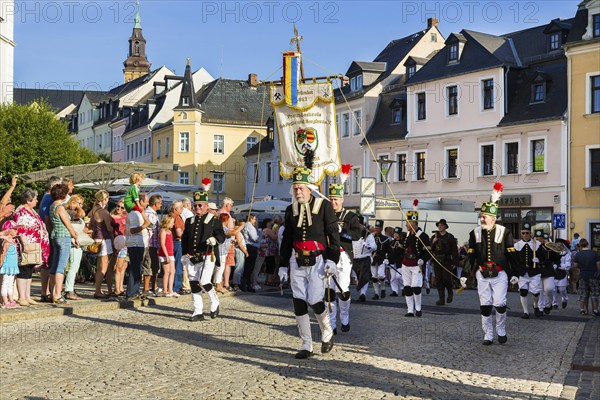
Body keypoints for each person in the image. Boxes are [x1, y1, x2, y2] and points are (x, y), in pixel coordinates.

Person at [278, 163, 340, 359]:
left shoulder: (324, 206)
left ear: (309, 188)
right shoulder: (290, 209)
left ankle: (327, 330)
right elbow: (287, 238)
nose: (297, 191)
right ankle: (306, 344)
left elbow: (333, 236)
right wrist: (281, 264)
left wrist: (332, 260)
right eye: (295, 188)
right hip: (296, 260)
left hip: (318, 260)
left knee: (314, 299)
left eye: (301, 188)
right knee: (298, 302)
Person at [461, 183, 518, 345]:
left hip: (500, 273)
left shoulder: (505, 231)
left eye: (484, 217)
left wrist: (515, 273)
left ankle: (501, 329)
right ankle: (488, 334)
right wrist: (465, 274)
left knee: (499, 303)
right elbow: (470, 255)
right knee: (485, 305)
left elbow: (511, 254)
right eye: (480, 216)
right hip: (482, 273)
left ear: (493, 218)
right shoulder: (475, 232)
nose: (481, 219)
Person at [182, 186, 226, 321]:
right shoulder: (190, 220)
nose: (197, 208)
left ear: (206, 206)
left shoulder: (214, 220)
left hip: (208, 255)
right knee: (194, 282)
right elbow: (185, 238)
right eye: (195, 206)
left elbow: (221, 236)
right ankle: (198, 311)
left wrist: (215, 239)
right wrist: (184, 254)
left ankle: (214, 301)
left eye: (200, 205)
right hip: (192, 256)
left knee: (204, 280)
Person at [326, 179, 361, 333]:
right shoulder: (325, 215)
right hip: (328, 255)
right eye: (331, 199)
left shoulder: (351, 216)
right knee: (329, 291)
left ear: (342, 199)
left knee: (343, 290)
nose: (333, 202)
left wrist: (342, 232)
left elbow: (357, 235)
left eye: (336, 200)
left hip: (343, 256)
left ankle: (345, 317)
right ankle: (331, 324)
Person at [13, 189, 50, 306]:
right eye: (35, 199)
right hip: (27, 245)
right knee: (23, 271)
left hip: (35, 245)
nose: (37, 200)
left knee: (29, 271)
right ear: (29, 200)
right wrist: (25, 244)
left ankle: (27, 296)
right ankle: (21, 296)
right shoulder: (21, 212)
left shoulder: (31, 210)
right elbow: (21, 229)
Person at [48, 183, 80, 304]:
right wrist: (75, 237)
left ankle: (52, 293)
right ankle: (58, 294)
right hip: (64, 237)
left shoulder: (52, 206)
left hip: (55, 236)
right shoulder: (60, 207)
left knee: (55, 265)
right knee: (61, 267)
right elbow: (68, 224)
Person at [401, 200, 430, 317]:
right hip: (405, 263)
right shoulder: (405, 235)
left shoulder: (423, 236)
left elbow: (427, 252)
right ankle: (410, 310)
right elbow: (402, 249)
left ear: (413, 223)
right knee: (407, 288)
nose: (406, 225)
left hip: (416, 264)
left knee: (416, 287)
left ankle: (418, 308)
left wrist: (423, 259)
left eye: (408, 223)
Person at [38, 175, 62, 302]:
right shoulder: (49, 198)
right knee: (49, 264)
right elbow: (47, 218)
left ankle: (45, 291)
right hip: (49, 234)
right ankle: (46, 291)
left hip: (45, 233)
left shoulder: (45, 197)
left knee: (47, 264)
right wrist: (50, 233)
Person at [513, 223, 544, 318]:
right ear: (521, 234)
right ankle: (525, 312)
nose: (525, 235)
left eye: (527, 233)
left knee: (535, 293)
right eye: (523, 233)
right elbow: (514, 260)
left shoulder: (537, 244)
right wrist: (514, 273)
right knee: (523, 291)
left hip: (534, 272)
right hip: (522, 272)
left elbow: (543, 257)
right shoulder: (517, 245)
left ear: (530, 233)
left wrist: (539, 260)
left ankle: (535, 305)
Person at [89, 190, 114, 298]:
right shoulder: (104, 212)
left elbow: (90, 226)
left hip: (97, 239)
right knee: (103, 267)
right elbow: (109, 228)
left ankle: (98, 289)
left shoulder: (94, 210)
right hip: (104, 240)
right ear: (105, 199)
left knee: (99, 266)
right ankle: (98, 291)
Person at [125, 193, 150, 300]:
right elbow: (133, 230)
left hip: (139, 243)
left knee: (137, 268)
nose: (148, 203)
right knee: (135, 268)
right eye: (146, 201)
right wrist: (144, 226)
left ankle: (135, 290)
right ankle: (131, 292)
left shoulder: (139, 213)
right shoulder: (135, 214)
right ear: (140, 202)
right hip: (135, 243)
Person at [64, 194, 87, 300]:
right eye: (80, 203)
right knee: (73, 266)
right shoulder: (71, 212)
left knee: (74, 266)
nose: (81, 206)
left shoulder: (71, 213)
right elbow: (82, 214)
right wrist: (77, 206)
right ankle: (69, 290)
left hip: (78, 241)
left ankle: (70, 287)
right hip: (74, 242)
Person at [430, 218, 458, 305]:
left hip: (446, 260)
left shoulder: (450, 237)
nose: (439, 227)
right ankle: (441, 298)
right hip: (437, 260)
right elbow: (430, 249)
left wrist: (455, 262)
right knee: (439, 280)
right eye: (438, 225)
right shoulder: (434, 236)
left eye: (441, 225)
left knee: (446, 279)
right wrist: (433, 242)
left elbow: (454, 250)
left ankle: (450, 292)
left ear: (445, 227)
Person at [573, 238, 600, 316]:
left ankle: (583, 310)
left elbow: (575, 266)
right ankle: (595, 311)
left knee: (584, 294)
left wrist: (582, 268)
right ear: (588, 244)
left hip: (583, 276)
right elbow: (598, 266)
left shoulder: (578, 254)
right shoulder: (594, 253)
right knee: (594, 294)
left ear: (581, 246)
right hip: (594, 276)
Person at [143, 194, 162, 295]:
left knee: (155, 266)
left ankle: (154, 287)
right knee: (148, 266)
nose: (161, 205)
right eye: (160, 203)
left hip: (154, 244)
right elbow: (150, 227)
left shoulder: (154, 213)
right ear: (156, 203)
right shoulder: (148, 213)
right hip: (149, 243)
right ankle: (146, 288)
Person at [354, 217, 376, 303]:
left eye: (359, 224)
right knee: (357, 278)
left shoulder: (368, 235)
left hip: (364, 258)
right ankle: (361, 294)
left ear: (362, 225)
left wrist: (367, 246)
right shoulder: (352, 233)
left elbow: (374, 247)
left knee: (364, 277)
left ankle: (363, 294)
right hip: (355, 259)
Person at [110, 199, 129, 297]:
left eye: (122, 207)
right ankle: (117, 288)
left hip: (125, 244)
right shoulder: (112, 217)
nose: (119, 209)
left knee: (123, 267)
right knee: (118, 267)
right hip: (117, 243)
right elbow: (110, 231)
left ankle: (120, 287)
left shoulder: (126, 217)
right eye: (118, 206)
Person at [1, 220, 20, 308]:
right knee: (5, 283)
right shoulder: (7, 242)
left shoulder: (13, 241)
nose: (17, 231)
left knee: (11, 283)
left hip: (12, 266)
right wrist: (1, 262)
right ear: (8, 230)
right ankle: (5, 301)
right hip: (7, 265)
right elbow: (3, 253)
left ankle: (11, 299)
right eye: (15, 229)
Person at [371, 220, 392, 300]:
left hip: (381, 259)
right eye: (375, 228)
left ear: (381, 229)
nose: (376, 230)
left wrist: (387, 258)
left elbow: (389, 251)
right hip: (373, 259)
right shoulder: (371, 237)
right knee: (374, 276)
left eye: (378, 228)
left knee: (381, 275)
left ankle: (383, 289)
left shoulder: (385, 239)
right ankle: (376, 293)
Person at [169, 201, 185, 295]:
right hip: (178, 242)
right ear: (176, 209)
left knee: (171, 267)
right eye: (181, 207)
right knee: (178, 266)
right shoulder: (177, 218)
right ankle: (176, 287)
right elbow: (179, 233)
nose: (182, 209)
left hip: (171, 242)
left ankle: (171, 287)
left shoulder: (169, 216)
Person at [158, 214, 176, 297]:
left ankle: (170, 289)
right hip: (165, 254)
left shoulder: (170, 231)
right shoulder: (163, 231)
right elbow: (162, 244)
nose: (173, 224)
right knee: (167, 271)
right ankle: (165, 290)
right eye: (172, 222)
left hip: (170, 253)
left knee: (172, 271)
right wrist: (167, 256)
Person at [551, 238, 572, 310]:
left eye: (560, 245)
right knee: (553, 289)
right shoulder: (553, 253)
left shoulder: (567, 254)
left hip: (562, 273)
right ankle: (554, 303)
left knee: (562, 289)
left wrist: (559, 266)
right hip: (553, 273)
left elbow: (568, 265)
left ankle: (565, 299)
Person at [389, 227, 405, 297]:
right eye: (394, 233)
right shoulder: (391, 242)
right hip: (392, 261)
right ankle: (394, 290)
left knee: (399, 276)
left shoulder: (402, 242)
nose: (395, 235)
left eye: (397, 234)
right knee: (393, 277)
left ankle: (403, 288)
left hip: (400, 261)